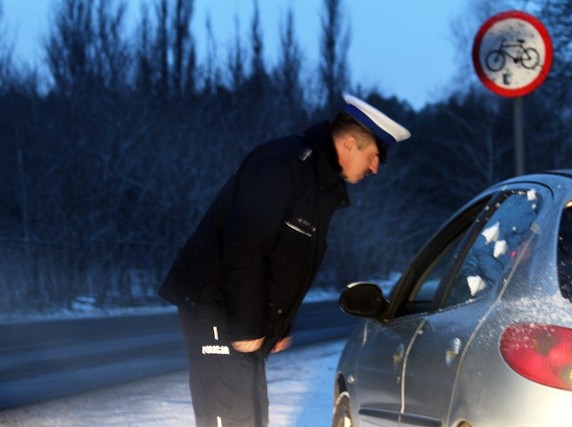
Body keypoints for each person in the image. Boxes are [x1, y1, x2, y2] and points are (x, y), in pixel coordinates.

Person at [158, 94, 411, 426]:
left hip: (237, 310)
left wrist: (278, 323)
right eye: (374, 155)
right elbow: (244, 244)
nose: (375, 168)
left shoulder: (317, 183)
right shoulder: (284, 164)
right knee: (230, 415)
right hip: (217, 306)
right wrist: (249, 324)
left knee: (249, 414)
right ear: (350, 144)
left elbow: (287, 261)